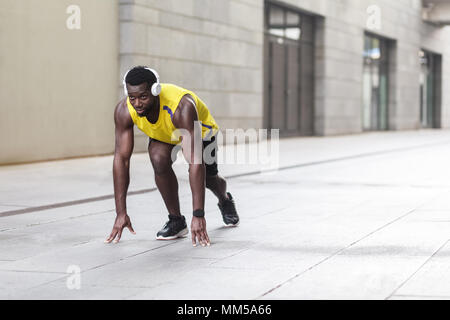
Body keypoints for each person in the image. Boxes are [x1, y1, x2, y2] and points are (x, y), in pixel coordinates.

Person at [105, 66, 239, 247]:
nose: (137, 103)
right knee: (158, 159)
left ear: (155, 91)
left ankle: (225, 199)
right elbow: (122, 159)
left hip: (201, 131)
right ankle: (176, 220)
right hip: (165, 134)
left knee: (208, 178)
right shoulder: (124, 110)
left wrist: (198, 215)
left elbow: (195, 161)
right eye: (132, 97)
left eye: (143, 97)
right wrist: (120, 212)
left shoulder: (182, 107)